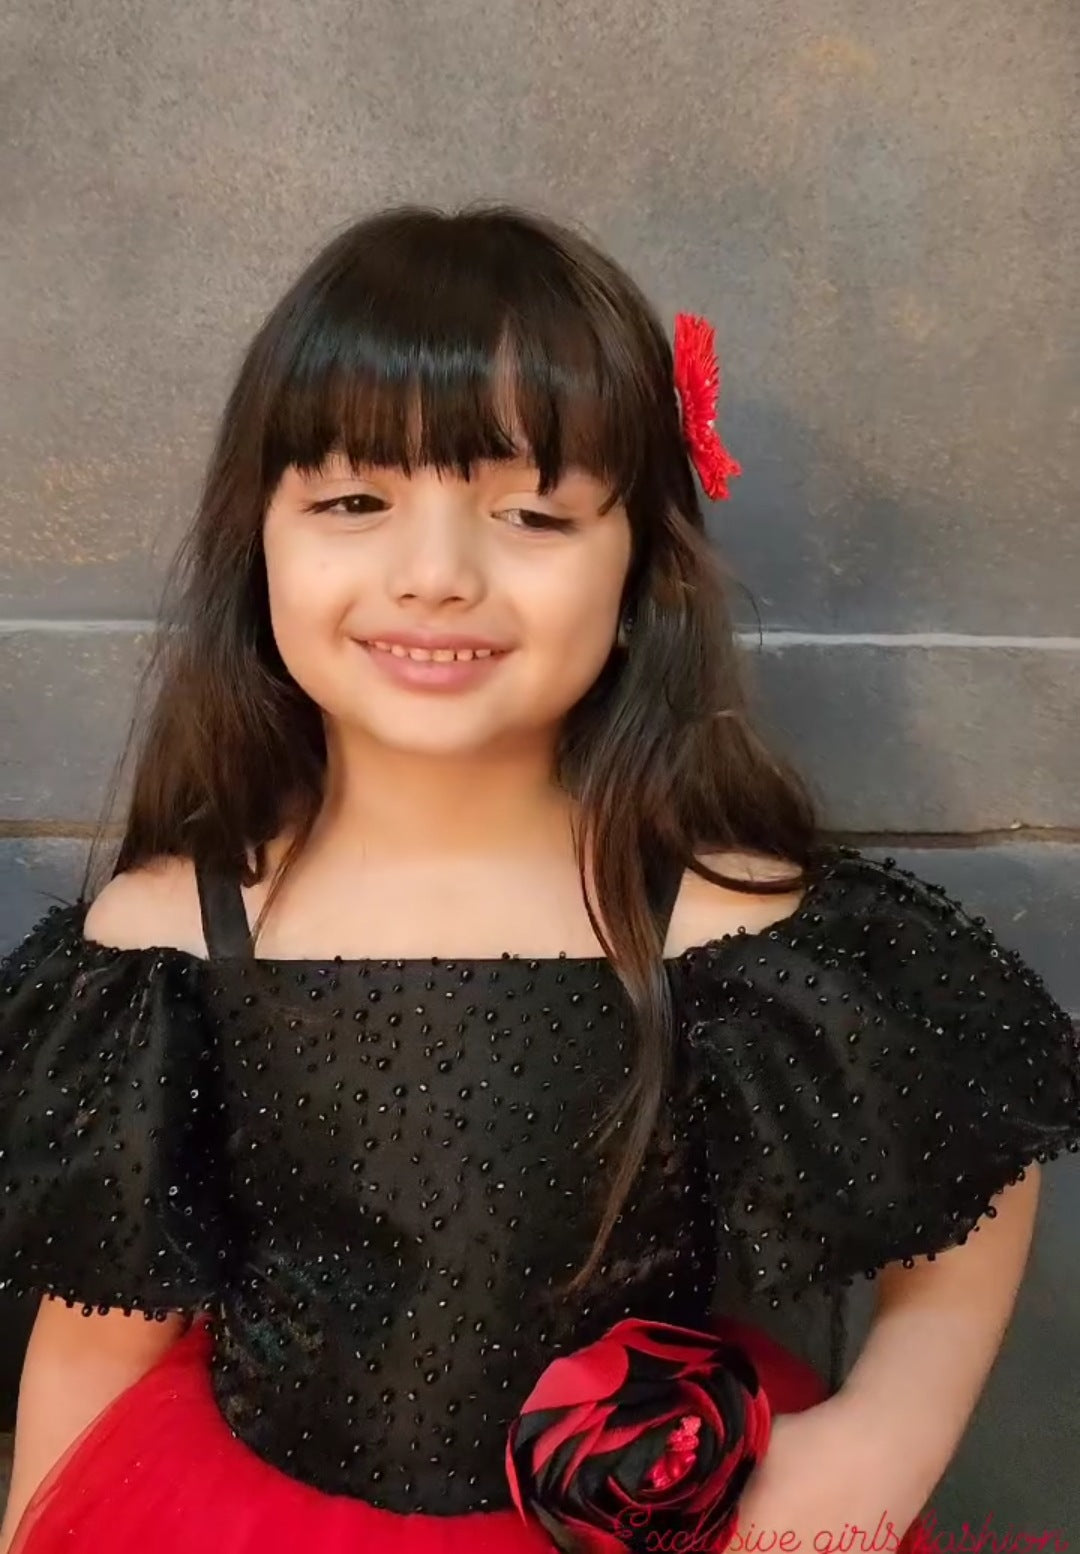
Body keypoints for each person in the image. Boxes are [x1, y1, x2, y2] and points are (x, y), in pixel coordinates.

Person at [0, 204, 1077, 1554]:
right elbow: (98, 1337)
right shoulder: (172, 931)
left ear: (639, 566)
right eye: (354, 502)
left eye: (531, 513)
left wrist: (885, 1433)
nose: (435, 576)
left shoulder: (719, 914)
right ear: (256, 533)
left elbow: (977, 1145)